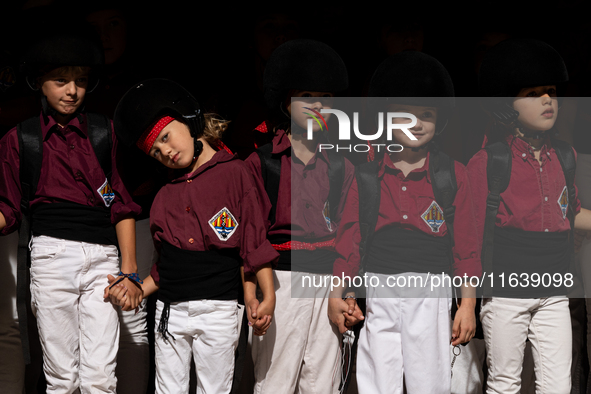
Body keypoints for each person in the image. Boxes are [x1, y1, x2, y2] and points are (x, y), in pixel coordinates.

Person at [108, 78, 278, 394]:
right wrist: (135, 291)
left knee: (213, 389)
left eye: (166, 137)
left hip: (219, 309)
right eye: (155, 151)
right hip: (170, 312)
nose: (165, 151)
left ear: (188, 122)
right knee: (167, 389)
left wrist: (262, 295)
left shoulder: (235, 173)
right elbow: (164, 268)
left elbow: (253, 243)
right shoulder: (163, 197)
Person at [329, 51, 481, 394]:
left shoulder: (452, 174)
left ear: (439, 120)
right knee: (376, 383)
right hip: (379, 290)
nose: (415, 123)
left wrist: (468, 304)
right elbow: (350, 242)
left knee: (430, 383)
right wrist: (340, 294)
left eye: (426, 114)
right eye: (404, 115)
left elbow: (467, 247)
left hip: (431, 291)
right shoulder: (367, 176)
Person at [0, 31, 142, 393]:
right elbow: (8, 211)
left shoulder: (102, 132)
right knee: (62, 378)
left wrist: (129, 271)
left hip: (104, 259)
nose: (72, 91)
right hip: (51, 256)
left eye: (80, 81)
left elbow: (120, 202)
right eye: (60, 80)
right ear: (38, 83)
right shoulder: (21, 139)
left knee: (100, 378)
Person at [468, 37, 591, 393]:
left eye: (551, 91)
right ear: (507, 104)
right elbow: (470, 237)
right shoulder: (490, 161)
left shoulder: (564, 156)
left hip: (554, 290)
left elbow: (570, 213)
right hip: (506, 291)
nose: (547, 100)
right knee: (505, 383)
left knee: (558, 385)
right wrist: (468, 301)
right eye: (533, 93)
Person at [244, 39, 357, 394]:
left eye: (325, 97)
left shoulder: (342, 164)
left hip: (327, 282)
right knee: (275, 382)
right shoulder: (261, 162)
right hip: (279, 281)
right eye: (307, 95)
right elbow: (251, 235)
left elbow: (351, 235)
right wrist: (257, 292)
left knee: (323, 384)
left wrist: (341, 292)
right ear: (287, 100)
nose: (317, 105)